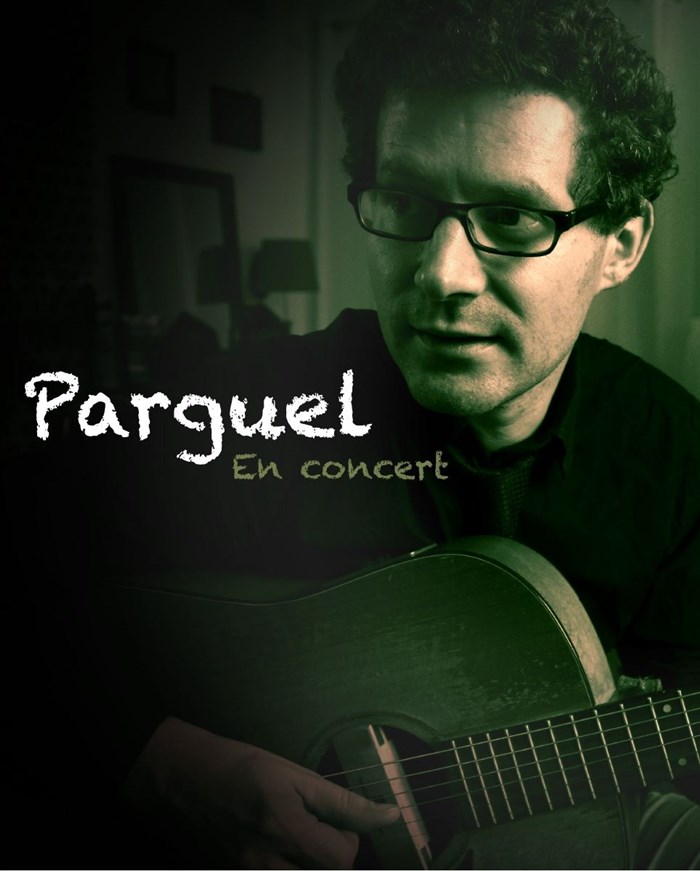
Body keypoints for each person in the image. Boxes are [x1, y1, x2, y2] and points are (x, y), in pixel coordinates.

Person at [8, 0, 699, 868]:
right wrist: (158, 761)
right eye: (405, 201)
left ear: (621, 244)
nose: (440, 274)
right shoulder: (249, 406)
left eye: (513, 216)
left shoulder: (680, 469)